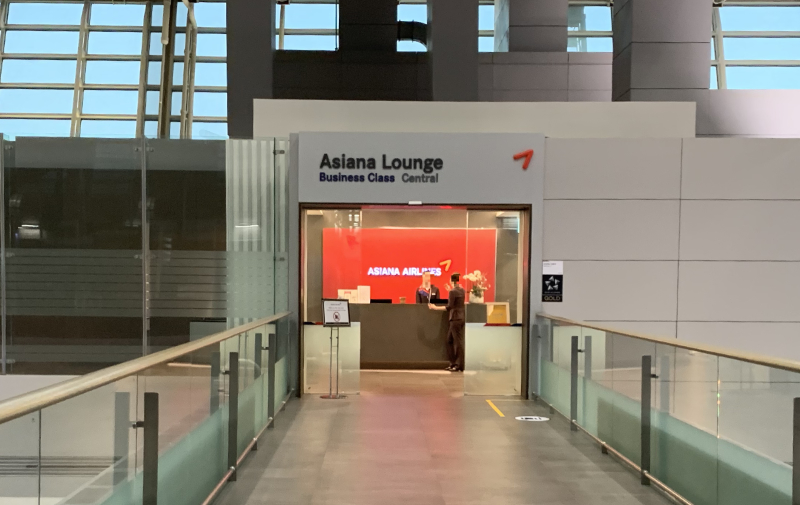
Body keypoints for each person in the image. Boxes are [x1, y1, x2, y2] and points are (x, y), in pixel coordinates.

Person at [429, 272, 465, 372]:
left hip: (455, 318)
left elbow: (449, 307)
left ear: (451, 280)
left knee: (457, 342)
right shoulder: (461, 290)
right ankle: (453, 363)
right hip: (460, 318)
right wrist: (449, 290)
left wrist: (435, 308)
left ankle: (459, 365)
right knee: (449, 340)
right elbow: (457, 300)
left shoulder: (453, 292)